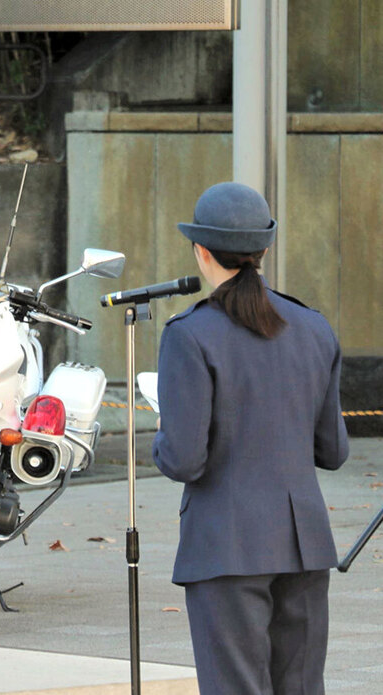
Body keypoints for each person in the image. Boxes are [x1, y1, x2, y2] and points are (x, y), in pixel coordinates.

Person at [152, 182, 349, 694]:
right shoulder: (314, 327)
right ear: (264, 249)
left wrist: (161, 435)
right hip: (304, 547)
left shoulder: (189, 334)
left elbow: (184, 459)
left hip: (226, 545)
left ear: (200, 249)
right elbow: (334, 451)